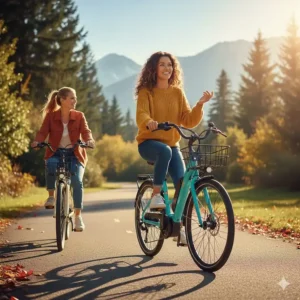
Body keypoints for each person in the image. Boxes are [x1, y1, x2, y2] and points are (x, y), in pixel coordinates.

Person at [135, 51, 213, 243]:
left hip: (171, 144)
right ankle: (155, 196)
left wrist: (200, 105)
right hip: (149, 143)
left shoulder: (177, 92)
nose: (167, 68)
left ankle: (178, 227)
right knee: (164, 151)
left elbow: (188, 120)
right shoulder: (147, 91)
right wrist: (150, 121)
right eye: (162, 64)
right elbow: (141, 114)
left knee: (183, 185)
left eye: (170, 65)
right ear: (154, 68)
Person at [31, 87, 95, 232]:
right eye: (72, 98)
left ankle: (78, 216)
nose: (75, 100)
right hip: (55, 152)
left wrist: (89, 140)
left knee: (77, 181)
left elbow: (86, 131)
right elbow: (42, 132)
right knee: (51, 165)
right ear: (62, 100)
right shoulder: (51, 116)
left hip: (75, 153)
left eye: (75, 98)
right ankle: (51, 197)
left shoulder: (79, 116)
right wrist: (37, 141)